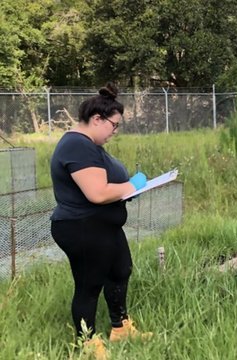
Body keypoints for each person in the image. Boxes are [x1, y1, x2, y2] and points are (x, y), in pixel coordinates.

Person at [50, 83, 152, 357]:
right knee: (89, 286)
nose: (114, 132)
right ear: (97, 119)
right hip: (81, 227)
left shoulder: (89, 144)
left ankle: (120, 328)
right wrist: (131, 186)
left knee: (120, 270)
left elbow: (107, 186)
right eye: (114, 125)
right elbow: (96, 193)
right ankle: (87, 342)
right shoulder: (77, 146)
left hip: (104, 225)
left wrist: (126, 189)